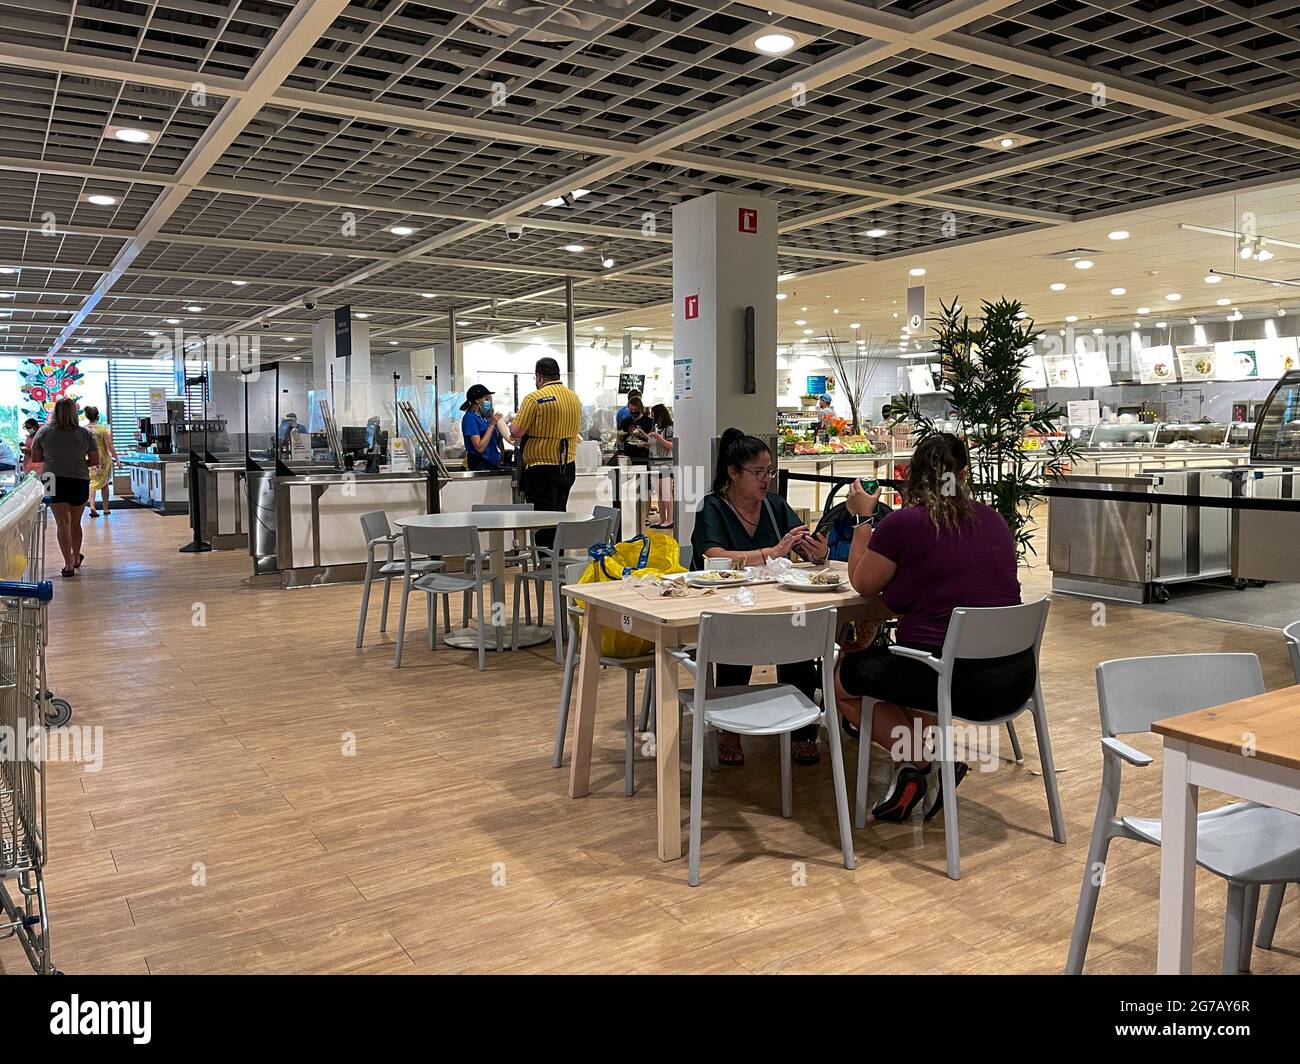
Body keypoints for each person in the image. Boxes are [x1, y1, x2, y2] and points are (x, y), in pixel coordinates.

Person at [834, 433, 1034, 822]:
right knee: (917, 659)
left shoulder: (906, 524)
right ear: (964, 473)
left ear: (911, 475)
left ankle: (921, 763)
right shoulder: (993, 520)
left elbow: (863, 583)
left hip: (953, 682)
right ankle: (927, 766)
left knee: (841, 678)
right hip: (1014, 679)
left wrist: (862, 519)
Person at [690, 428, 830, 766]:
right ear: (733, 473)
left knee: (799, 638)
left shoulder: (775, 506)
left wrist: (818, 551)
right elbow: (714, 556)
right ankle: (729, 728)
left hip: (777, 602)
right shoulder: (713, 507)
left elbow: (804, 548)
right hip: (726, 607)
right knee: (738, 641)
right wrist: (772, 552)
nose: (765, 480)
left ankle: (802, 728)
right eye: (758, 473)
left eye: (769, 471)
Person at [510, 357, 581, 548]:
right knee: (560, 514)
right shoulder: (573, 397)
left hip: (541, 468)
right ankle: (558, 560)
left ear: (539, 376)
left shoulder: (534, 398)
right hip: (567, 466)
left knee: (543, 519)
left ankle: (546, 565)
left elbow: (516, 432)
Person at [32, 398, 97, 578]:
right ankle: (76, 557)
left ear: (55, 412)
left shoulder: (43, 432)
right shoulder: (85, 434)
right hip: (79, 478)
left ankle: (68, 564)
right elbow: (94, 461)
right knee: (76, 523)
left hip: (51, 478)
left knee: (62, 523)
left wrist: (56, 458)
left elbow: (36, 458)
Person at [460, 384, 505, 471]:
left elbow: (493, 439)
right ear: (477, 400)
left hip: (491, 463)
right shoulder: (470, 418)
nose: (489, 403)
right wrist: (492, 425)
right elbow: (479, 448)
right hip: (480, 464)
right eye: (486, 399)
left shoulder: (484, 418)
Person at [83, 406, 117, 518]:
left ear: (87, 416)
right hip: (102, 459)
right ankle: (106, 508)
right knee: (104, 483)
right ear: (97, 416)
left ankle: (92, 506)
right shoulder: (104, 429)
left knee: (92, 483)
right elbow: (109, 445)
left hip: (89, 459)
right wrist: (117, 458)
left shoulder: (83, 429)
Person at [647, 404, 675, 529]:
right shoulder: (655, 427)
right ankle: (662, 518)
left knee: (666, 493)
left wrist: (658, 438)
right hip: (654, 463)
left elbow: (671, 446)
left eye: (654, 414)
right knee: (659, 494)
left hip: (666, 463)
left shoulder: (669, 428)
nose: (652, 417)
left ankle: (670, 519)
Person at [618, 393, 652, 466]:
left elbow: (652, 440)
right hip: (629, 455)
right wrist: (621, 436)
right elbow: (621, 439)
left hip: (643, 456)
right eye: (631, 410)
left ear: (640, 408)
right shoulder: (625, 422)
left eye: (635, 409)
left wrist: (642, 435)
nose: (633, 412)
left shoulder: (649, 422)